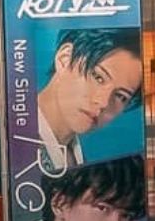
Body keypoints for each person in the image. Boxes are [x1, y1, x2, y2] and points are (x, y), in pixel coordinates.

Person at [37, 28, 144, 174]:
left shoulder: (77, 156)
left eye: (121, 96)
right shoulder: (17, 140)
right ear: (64, 58)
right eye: (98, 77)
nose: (103, 102)